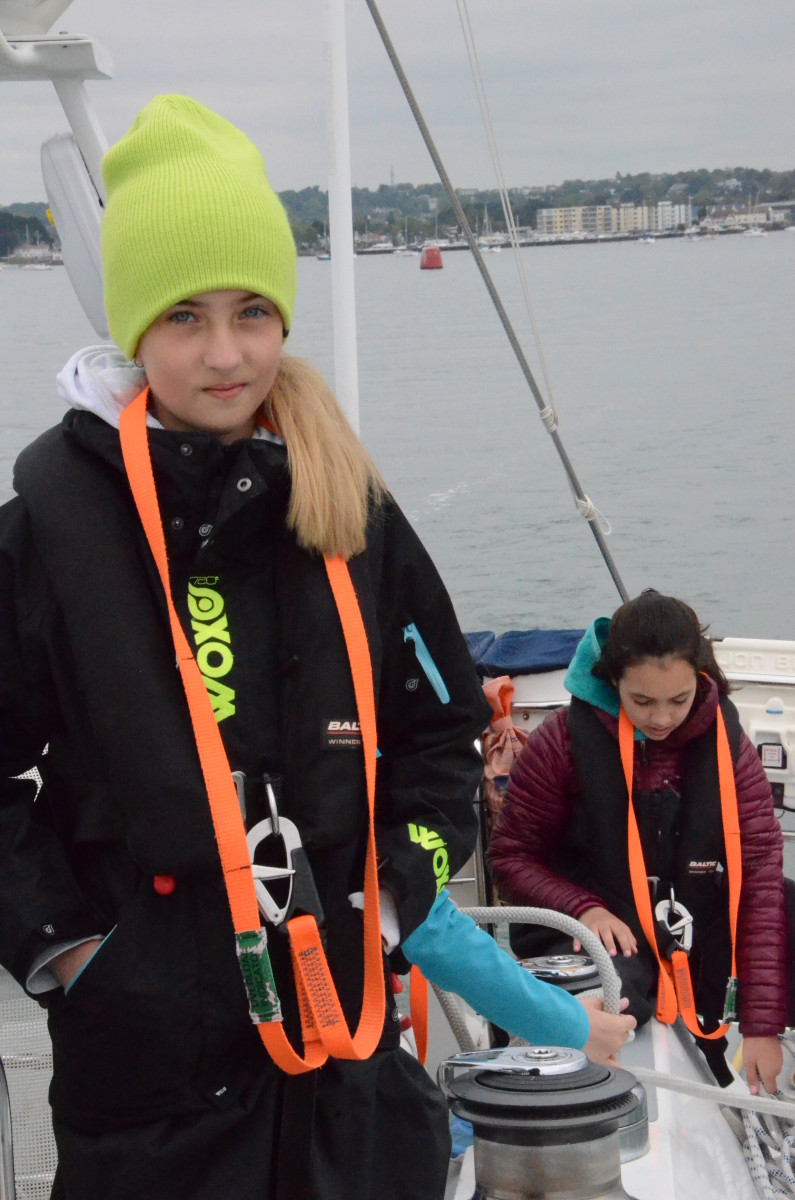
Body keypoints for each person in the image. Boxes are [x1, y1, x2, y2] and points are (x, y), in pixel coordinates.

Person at [0, 96, 632, 1200]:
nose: (227, 353)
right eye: (185, 316)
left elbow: (440, 726)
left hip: (347, 1053)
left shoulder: (348, 505)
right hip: (148, 1081)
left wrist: (392, 895)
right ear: (134, 326)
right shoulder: (54, 526)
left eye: (253, 310)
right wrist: (73, 954)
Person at [488, 589, 788, 1095]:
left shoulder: (731, 749)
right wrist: (581, 908)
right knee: (609, 988)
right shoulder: (560, 742)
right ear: (612, 681)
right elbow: (509, 856)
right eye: (642, 701)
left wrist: (763, 1024)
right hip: (601, 930)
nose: (662, 719)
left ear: (701, 680)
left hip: (694, 925)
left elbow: (759, 876)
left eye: (679, 700)